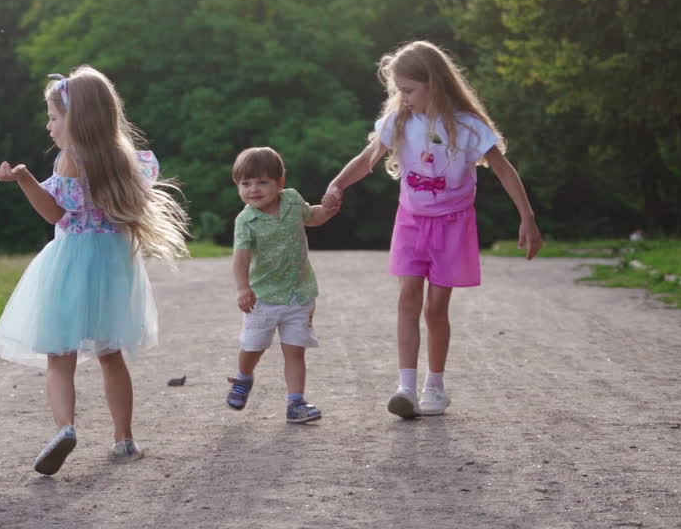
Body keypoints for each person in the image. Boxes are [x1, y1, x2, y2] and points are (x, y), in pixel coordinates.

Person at [322, 41, 542, 419]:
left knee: (436, 307)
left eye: (409, 90)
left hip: (453, 225)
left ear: (434, 84)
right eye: (399, 91)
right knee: (408, 298)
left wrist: (528, 217)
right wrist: (337, 184)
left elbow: (503, 169)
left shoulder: (468, 126)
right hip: (411, 221)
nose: (403, 98)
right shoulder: (399, 121)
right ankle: (406, 387)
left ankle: (434, 386)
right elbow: (367, 159)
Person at [0, 66, 190, 476]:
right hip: (114, 263)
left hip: (73, 261)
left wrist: (25, 179)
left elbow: (55, 213)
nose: (49, 126)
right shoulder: (124, 158)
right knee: (110, 353)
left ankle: (65, 428)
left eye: (54, 117)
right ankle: (124, 439)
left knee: (59, 356)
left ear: (76, 118)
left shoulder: (69, 159)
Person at [226, 147, 337, 424]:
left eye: (262, 182)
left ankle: (295, 403)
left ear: (280, 182)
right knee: (253, 347)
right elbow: (241, 259)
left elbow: (312, 216)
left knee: (295, 350)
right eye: (246, 183)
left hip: (299, 294)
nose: (254, 189)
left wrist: (328, 210)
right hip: (262, 299)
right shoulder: (246, 221)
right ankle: (244, 377)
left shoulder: (292, 201)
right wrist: (243, 288)